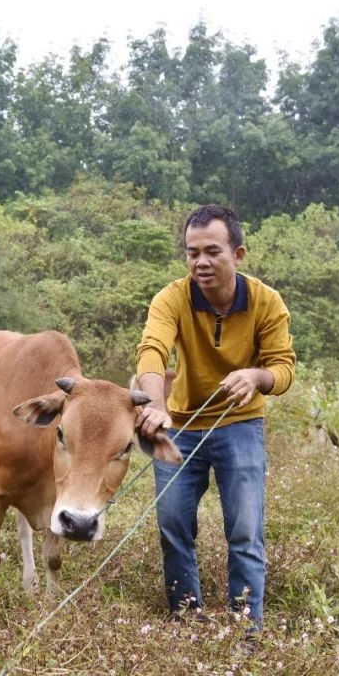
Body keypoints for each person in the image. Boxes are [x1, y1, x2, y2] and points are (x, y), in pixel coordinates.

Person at [135, 204, 296, 635]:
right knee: (172, 523)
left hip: (241, 423)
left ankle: (246, 630)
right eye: (192, 253)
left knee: (244, 530)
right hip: (182, 424)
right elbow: (152, 350)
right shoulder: (172, 298)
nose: (201, 262)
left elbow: (284, 369)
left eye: (212, 251)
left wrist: (256, 376)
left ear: (238, 254)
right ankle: (188, 621)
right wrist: (154, 403)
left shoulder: (266, 302)